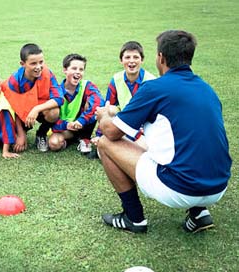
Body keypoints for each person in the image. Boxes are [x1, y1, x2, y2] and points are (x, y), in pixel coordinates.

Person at [96, 30, 231, 234]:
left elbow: (112, 132)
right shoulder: (206, 88)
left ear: (161, 57)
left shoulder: (154, 88)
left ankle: (134, 218)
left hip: (180, 188)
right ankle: (199, 213)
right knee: (179, 142)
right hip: (218, 186)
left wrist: (104, 115)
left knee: (105, 144)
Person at [89, 41, 155, 159]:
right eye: (127, 57)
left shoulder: (150, 81)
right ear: (121, 60)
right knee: (110, 109)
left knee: (144, 152)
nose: (131, 61)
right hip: (124, 124)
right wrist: (100, 134)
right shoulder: (116, 79)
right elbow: (106, 110)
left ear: (142, 60)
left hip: (145, 128)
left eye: (136, 57)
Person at [2, 43, 64, 152]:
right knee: (16, 144)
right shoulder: (14, 82)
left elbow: (59, 99)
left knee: (54, 111)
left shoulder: (47, 73)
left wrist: (36, 109)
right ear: (23, 64)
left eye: (41, 62)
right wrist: (21, 134)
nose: (38, 67)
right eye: (33, 63)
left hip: (38, 110)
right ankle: (22, 131)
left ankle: (41, 134)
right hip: (20, 115)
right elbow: (12, 109)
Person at [47, 53, 104, 154]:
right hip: (67, 128)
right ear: (65, 70)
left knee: (92, 104)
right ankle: (73, 139)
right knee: (54, 144)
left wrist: (81, 121)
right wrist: (67, 125)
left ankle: (85, 138)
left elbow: (99, 102)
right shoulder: (57, 90)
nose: (78, 72)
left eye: (81, 69)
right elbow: (52, 122)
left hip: (83, 124)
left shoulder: (87, 85)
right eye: (74, 68)